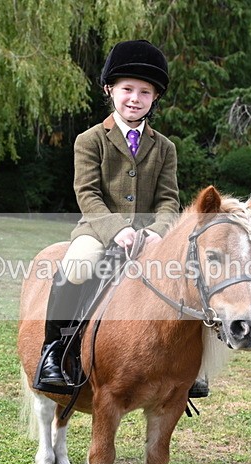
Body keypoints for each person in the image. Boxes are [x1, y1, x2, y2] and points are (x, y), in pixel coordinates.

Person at [38, 39, 209, 398]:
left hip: (151, 238)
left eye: (144, 92)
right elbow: (87, 194)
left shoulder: (164, 147)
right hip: (98, 231)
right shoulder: (90, 140)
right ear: (110, 90)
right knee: (79, 265)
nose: (135, 98)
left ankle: (193, 366)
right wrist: (117, 230)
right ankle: (54, 351)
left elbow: (168, 199)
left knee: (191, 275)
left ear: (154, 98)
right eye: (127, 89)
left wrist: (159, 232)